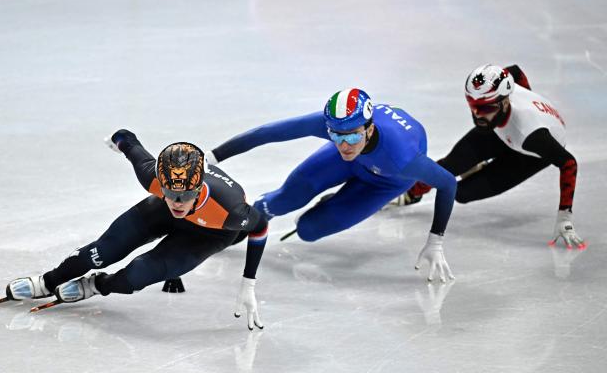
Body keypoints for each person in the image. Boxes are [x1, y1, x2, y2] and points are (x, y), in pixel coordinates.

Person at [0, 131, 268, 330]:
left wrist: (248, 283)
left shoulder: (231, 211)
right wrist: (118, 140)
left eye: (186, 195)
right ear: (162, 183)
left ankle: (97, 285)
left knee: (137, 274)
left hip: (210, 233)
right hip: (159, 213)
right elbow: (128, 139)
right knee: (101, 251)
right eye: (170, 192)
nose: (178, 203)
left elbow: (260, 227)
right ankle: (48, 281)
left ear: (199, 187)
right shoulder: (152, 177)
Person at [207, 88, 458, 282]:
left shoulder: (403, 157)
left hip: (385, 181)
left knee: (308, 230)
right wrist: (214, 156)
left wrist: (436, 240)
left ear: (369, 129)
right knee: (280, 201)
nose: (344, 145)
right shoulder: (341, 129)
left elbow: (447, 183)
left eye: (352, 136)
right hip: (352, 163)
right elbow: (267, 133)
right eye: (336, 136)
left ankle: (333, 203)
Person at [402, 64, 586, 249]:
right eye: (473, 106)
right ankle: (411, 192)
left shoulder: (531, 134)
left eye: (484, 108)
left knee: (462, 193)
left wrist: (564, 217)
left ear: (505, 102)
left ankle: (485, 166)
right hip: (502, 127)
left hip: (531, 153)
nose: (476, 114)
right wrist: (526, 94)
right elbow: (515, 70)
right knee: (450, 166)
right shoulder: (498, 96)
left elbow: (568, 163)